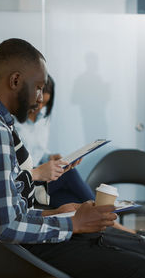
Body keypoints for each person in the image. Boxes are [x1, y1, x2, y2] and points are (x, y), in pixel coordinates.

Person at [0, 38, 145, 278]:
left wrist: (56, 213)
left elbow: (3, 208)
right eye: (39, 87)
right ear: (15, 81)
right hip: (11, 253)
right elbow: (6, 226)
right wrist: (74, 224)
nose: (41, 98)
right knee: (140, 266)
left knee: (130, 247)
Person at [14, 74, 95, 208]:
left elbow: (37, 150)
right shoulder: (14, 123)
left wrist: (49, 157)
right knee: (69, 174)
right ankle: (111, 219)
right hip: (28, 179)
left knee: (72, 200)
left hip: (41, 179)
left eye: (45, 103)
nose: (40, 107)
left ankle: (113, 224)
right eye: (38, 102)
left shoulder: (43, 120)